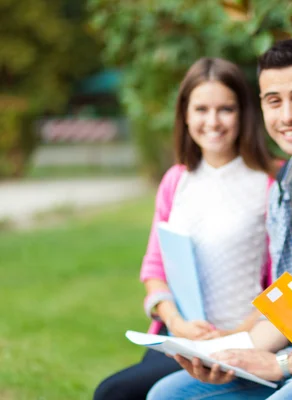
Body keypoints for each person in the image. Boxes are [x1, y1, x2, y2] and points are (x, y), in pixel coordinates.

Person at [146, 39, 292, 400]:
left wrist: (283, 364)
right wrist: (224, 354)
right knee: (167, 395)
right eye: (275, 101)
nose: (288, 115)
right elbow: (287, 307)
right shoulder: (285, 187)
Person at [94, 57, 278, 400]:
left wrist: (234, 333)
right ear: (185, 114)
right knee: (115, 392)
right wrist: (176, 323)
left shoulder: (270, 182)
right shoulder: (175, 181)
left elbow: (283, 281)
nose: (213, 121)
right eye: (201, 109)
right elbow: (154, 268)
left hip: (241, 339)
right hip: (178, 334)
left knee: (118, 393)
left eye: (225, 109)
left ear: (243, 113)